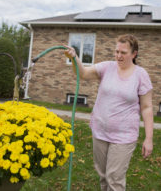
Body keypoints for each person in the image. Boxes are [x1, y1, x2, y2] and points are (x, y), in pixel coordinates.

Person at [64, 34, 153, 191]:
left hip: (124, 136)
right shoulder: (107, 67)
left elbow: (146, 107)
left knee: (115, 178)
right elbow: (83, 73)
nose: (118, 56)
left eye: (123, 53)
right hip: (100, 131)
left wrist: (149, 138)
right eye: (117, 51)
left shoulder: (141, 75)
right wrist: (75, 58)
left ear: (134, 54)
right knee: (103, 176)